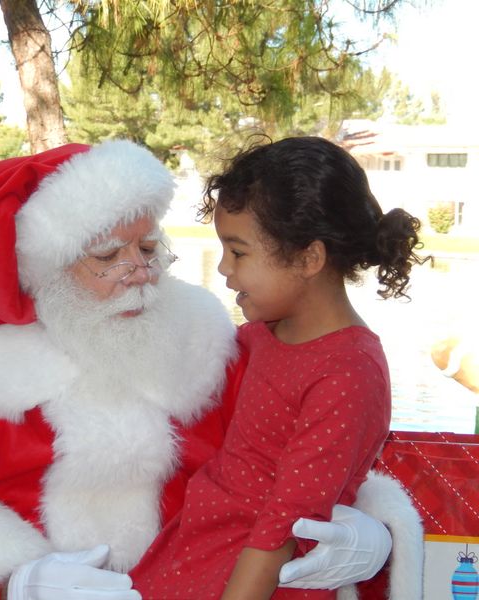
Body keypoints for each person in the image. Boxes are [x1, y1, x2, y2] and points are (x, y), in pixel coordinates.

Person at [0, 140, 418, 600]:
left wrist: (361, 525)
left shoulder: (209, 341)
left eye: (149, 248)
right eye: (107, 257)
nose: (140, 273)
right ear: (44, 269)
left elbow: (289, 455)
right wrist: (11, 582)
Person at [129, 136, 425, 599]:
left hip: (258, 575)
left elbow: (284, 523)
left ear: (309, 258)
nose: (224, 269)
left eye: (239, 252)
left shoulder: (348, 373)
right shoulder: (265, 334)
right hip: (202, 544)